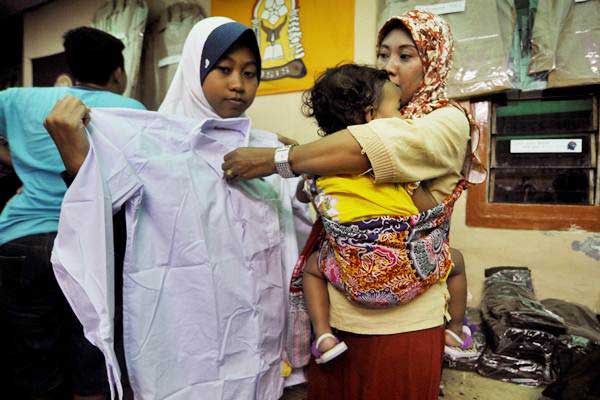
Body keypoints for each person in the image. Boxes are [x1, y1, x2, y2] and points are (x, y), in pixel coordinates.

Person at [221, 9, 485, 399]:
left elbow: (373, 147)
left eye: (406, 56)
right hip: (339, 314)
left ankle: (453, 328)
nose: (390, 68)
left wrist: (279, 159)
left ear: (434, 61)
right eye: (383, 55)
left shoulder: (446, 121)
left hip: (403, 325)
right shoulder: (370, 123)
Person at [44, 17, 309, 400]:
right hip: (185, 337)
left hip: (257, 338)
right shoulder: (148, 145)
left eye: (250, 73)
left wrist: (289, 161)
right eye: (224, 69)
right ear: (193, 70)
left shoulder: (266, 153)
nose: (239, 84)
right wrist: (77, 157)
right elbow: (101, 211)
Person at [295, 63, 474, 365]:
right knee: (456, 261)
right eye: (398, 109)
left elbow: (307, 197)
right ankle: (456, 331)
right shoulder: (394, 168)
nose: (404, 117)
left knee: (311, 268)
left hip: (354, 280)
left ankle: (324, 336)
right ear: (371, 118)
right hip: (408, 275)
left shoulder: (317, 171)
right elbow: (428, 208)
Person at [0, 27, 144, 400]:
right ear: (118, 73)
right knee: (91, 359)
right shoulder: (131, 111)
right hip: (88, 244)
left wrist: (20, 160)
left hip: (19, 240)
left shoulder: (15, 99)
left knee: (34, 366)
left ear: (73, 67)